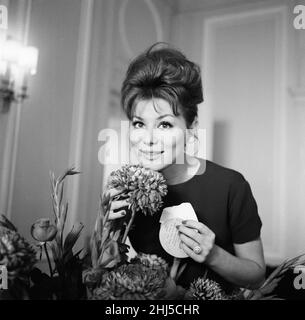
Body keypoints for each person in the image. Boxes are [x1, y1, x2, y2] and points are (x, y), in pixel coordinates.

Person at [106, 43, 265, 294]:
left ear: (191, 128)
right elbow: (109, 271)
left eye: (165, 125)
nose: (147, 139)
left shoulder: (231, 186)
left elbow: (256, 276)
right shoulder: (125, 190)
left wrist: (213, 255)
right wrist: (106, 227)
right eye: (138, 123)